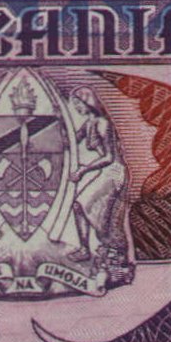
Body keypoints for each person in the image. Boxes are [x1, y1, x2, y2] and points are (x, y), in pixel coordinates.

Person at [67, 87, 132, 283]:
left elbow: (108, 157)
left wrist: (82, 170)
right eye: (74, 104)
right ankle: (84, 249)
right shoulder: (89, 123)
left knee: (99, 213)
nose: (77, 107)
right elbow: (70, 140)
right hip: (105, 171)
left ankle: (115, 258)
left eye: (78, 103)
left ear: (88, 102)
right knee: (78, 205)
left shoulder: (103, 123)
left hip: (114, 171)